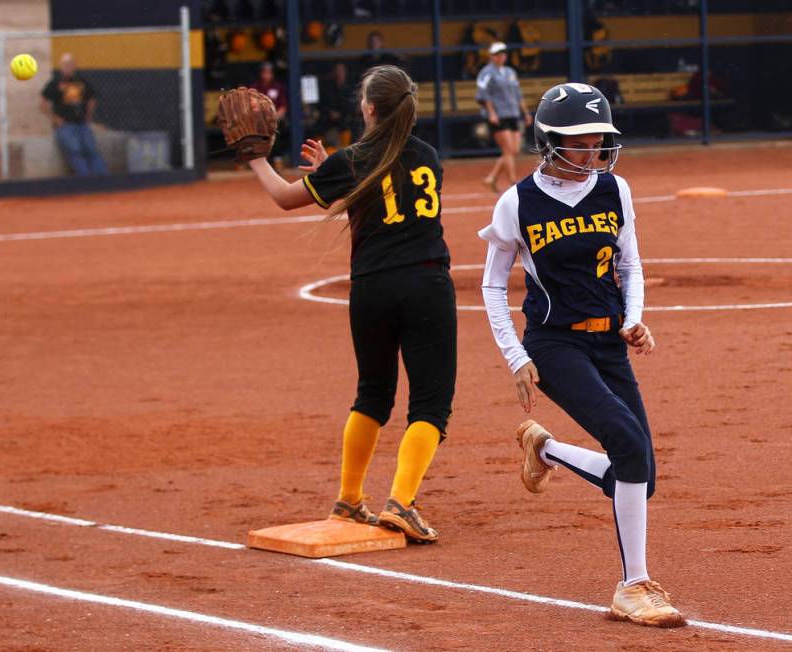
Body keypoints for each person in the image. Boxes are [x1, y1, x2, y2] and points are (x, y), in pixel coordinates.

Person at [479, 83, 686, 628]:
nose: (593, 150)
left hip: (607, 342)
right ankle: (633, 586)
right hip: (554, 343)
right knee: (627, 443)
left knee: (641, 475)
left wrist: (634, 318)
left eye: (598, 139)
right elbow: (492, 287)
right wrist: (515, 356)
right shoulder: (517, 202)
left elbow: (629, 265)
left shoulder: (615, 189)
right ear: (548, 142)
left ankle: (545, 451)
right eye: (579, 140)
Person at [246, 65, 456, 543]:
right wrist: (332, 171)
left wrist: (257, 159)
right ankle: (401, 501)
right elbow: (389, 191)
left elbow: (284, 197)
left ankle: (350, 497)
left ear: (369, 108)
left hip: (370, 289)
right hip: (425, 285)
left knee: (373, 394)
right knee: (430, 404)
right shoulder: (428, 157)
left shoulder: (352, 159)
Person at [475, 42, 532, 194]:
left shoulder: (510, 72)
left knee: (514, 150)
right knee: (507, 150)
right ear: (492, 56)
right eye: (498, 54)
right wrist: (491, 113)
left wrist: (525, 112)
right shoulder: (487, 72)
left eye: (503, 53)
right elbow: (483, 94)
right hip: (499, 115)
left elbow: (518, 94)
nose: (501, 56)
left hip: (513, 113)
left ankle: (491, 178)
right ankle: (513, 183)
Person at [40, 53, 107, 176]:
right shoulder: (55, 83)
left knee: (91, 149)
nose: (68, 67)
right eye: (65, 65)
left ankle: (102, 179)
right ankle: (85, 179)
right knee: (74, 150)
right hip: (65, 126)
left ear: (74, 66)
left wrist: (88, 115)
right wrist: (55, 118)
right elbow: (43, 104)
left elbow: (92, 98)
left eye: (70, 64)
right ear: (61, 67)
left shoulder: (81, 82)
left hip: (81, 123)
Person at [250, 61, 288, 162]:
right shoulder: (255, 87)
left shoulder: (277, 86)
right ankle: (258, 158)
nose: (266, 75)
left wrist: (275, 118)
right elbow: (252, 105)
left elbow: (283, 106)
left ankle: (277, 158)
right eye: (264, 73)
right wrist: (261, 118)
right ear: (260, 74)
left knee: (277, 131)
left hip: (275, 119)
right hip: (259, 120)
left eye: (269, 73)